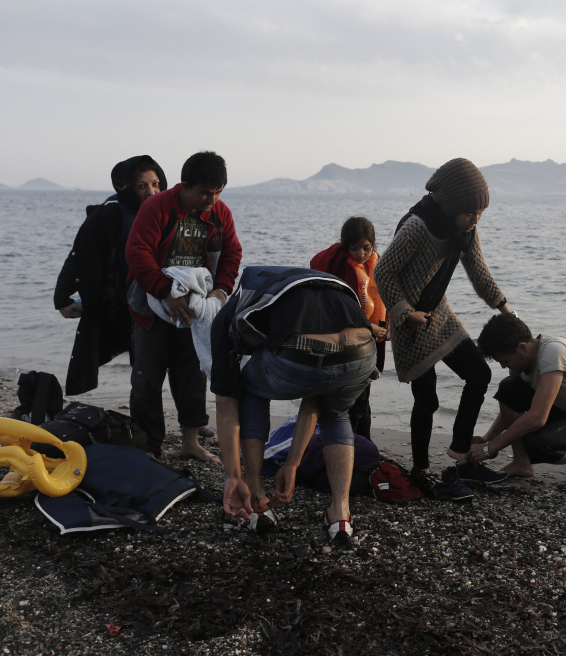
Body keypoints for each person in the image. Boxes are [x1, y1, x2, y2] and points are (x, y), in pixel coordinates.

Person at [372, 157, 512, 500]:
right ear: (451, 206)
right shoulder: (419, 227)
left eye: (480, 213)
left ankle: (462, 455)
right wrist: (404, 312)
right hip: (411, 325)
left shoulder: (463, 230)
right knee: (427, 399)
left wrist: (505, 309)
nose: (474, 220)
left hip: (440, 315)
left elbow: (479, 270)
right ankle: (421, 472)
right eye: (469, 213)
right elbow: (383, 273)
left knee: (479, 374)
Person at [210, 266, 377, 545]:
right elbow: (316, 391)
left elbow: (226, 405)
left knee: (250, 389)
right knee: (335, 414)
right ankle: (340, 516)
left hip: (299, 355)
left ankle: (257, 498)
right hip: (363, 352)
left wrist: (232, 476)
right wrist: (292, 463)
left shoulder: (227, 315)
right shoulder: (315, 284)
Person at [125, 151, 241, 463]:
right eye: (205, 192)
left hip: (196, 311)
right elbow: (137, 252)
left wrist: (221, 290)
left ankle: (190, 442)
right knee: (147, 379)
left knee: (193, 377)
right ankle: (149, 447)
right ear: (185, 186)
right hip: (153, 308)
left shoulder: (220, 214)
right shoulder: (157, 206)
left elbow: (232, 253)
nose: (211, 199)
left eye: (217, 192)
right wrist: (165, 292)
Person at [54, 155, 165, 396]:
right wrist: (62, 299)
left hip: (158, 305)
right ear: (125, 187)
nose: (151, 192)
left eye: (156, 184)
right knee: (143, 372)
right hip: (120, 307)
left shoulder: (166, 213)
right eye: (142, 186)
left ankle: (192, 420)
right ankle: (146, 427)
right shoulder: (109, 213)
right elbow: (79, 255)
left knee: (171, 365)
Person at [467, 314, 566, 491]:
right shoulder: (523, 361)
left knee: (535, 445)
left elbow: (537, 417)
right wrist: (488, 438)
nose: (503, 366)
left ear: (522, 348)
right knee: (508, 387)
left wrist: (489, 448)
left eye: (505, 361)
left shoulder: (554, 352)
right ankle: (521, 463)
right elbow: (511, 405)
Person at [310, 216, 388, 439]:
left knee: (364, 395)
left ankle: (365, 444)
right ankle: (352, 447)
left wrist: (387, 326)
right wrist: (368, 328)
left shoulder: (377, 264)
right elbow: (337, 309)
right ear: (345, 246)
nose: (361, 254)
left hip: (371, 342)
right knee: (353, 399)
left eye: (367, 248)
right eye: (355, 248)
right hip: (348, 345)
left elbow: (383, 300)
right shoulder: (339, 268)